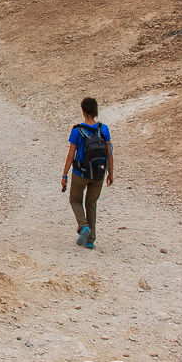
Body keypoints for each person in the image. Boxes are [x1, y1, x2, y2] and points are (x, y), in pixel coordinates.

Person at [60, 97, 113, 250]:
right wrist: (110, 173)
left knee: (75, 200)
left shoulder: (77, 130)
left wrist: (64, 175)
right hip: (99, 173)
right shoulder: (104, 129)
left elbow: (71, 155)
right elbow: (109, 152)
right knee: (91, 203)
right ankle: (90, 240)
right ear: (95, 111)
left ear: (82, 110)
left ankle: (83, 226)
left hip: (80, 173)